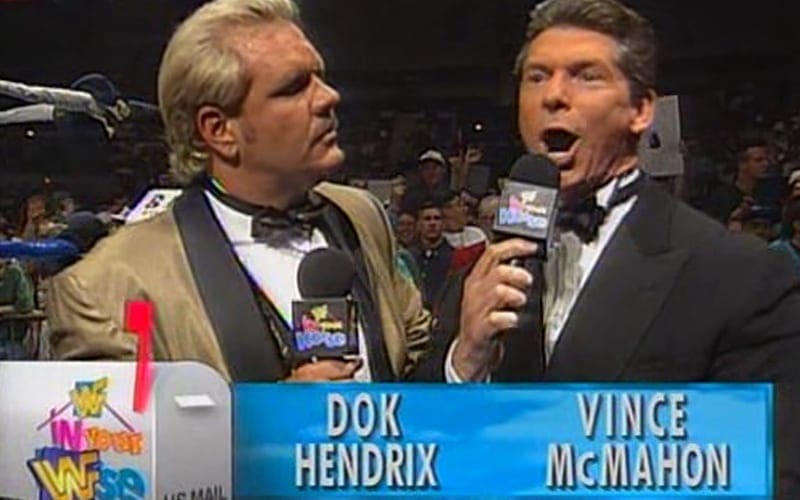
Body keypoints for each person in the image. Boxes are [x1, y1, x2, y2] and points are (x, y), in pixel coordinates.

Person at [423, 0, 800, 496]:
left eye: (586, 76)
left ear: (640, 110)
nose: (553, 95)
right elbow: (421, 455)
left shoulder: (739, 275)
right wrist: (465, 361)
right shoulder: (482, 270)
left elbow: (761, 474)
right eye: (536, 77)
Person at [46, 0, 430, 383]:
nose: (329, 97)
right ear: (219, 130)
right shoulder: (108, 286)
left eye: (320, 77)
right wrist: (277, 411)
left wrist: (459, 358)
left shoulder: (361, 214)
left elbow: (414, 364)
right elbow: (126, 420)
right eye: (293, 87)